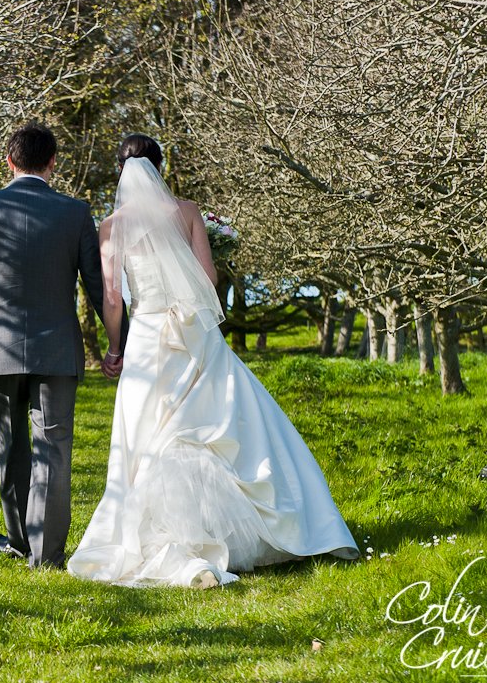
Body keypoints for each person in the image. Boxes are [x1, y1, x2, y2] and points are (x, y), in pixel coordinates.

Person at [67, 134, 359, 588]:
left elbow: (110, 298)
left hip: (146, 338)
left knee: (149, 437)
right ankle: (254, 534)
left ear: (121, 173)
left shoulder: (111, 227)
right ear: (159, 168)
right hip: (193, 336)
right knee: (217, 428)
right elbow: (207, 277)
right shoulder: (186, 213)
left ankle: (163, 542)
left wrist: (114, 348)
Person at [0, 122, 111, 569]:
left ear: (9, 161)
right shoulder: (76, 213)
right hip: (57, 351)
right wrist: (120, 341)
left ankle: (20, 540)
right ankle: (48, 555)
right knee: (53, 449)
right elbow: (98, 287)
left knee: (11, 445)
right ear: (53, 163)